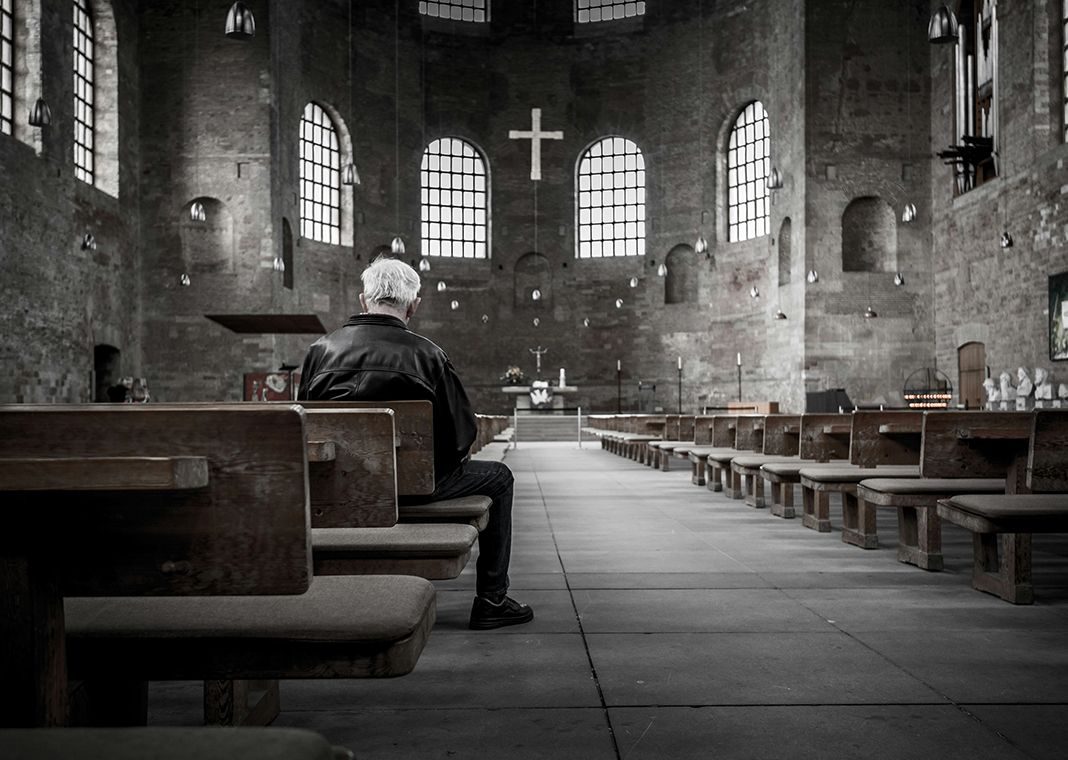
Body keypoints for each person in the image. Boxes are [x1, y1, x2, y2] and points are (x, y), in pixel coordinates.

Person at [297, 256, 533, 630]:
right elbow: (462, 436)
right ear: (414, 305)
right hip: (418, 489)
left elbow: (305, 428)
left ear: (363, 300)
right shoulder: (429, 354)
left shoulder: (319, 352)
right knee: (500, 477)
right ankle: (492, 599)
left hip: (341, 489)